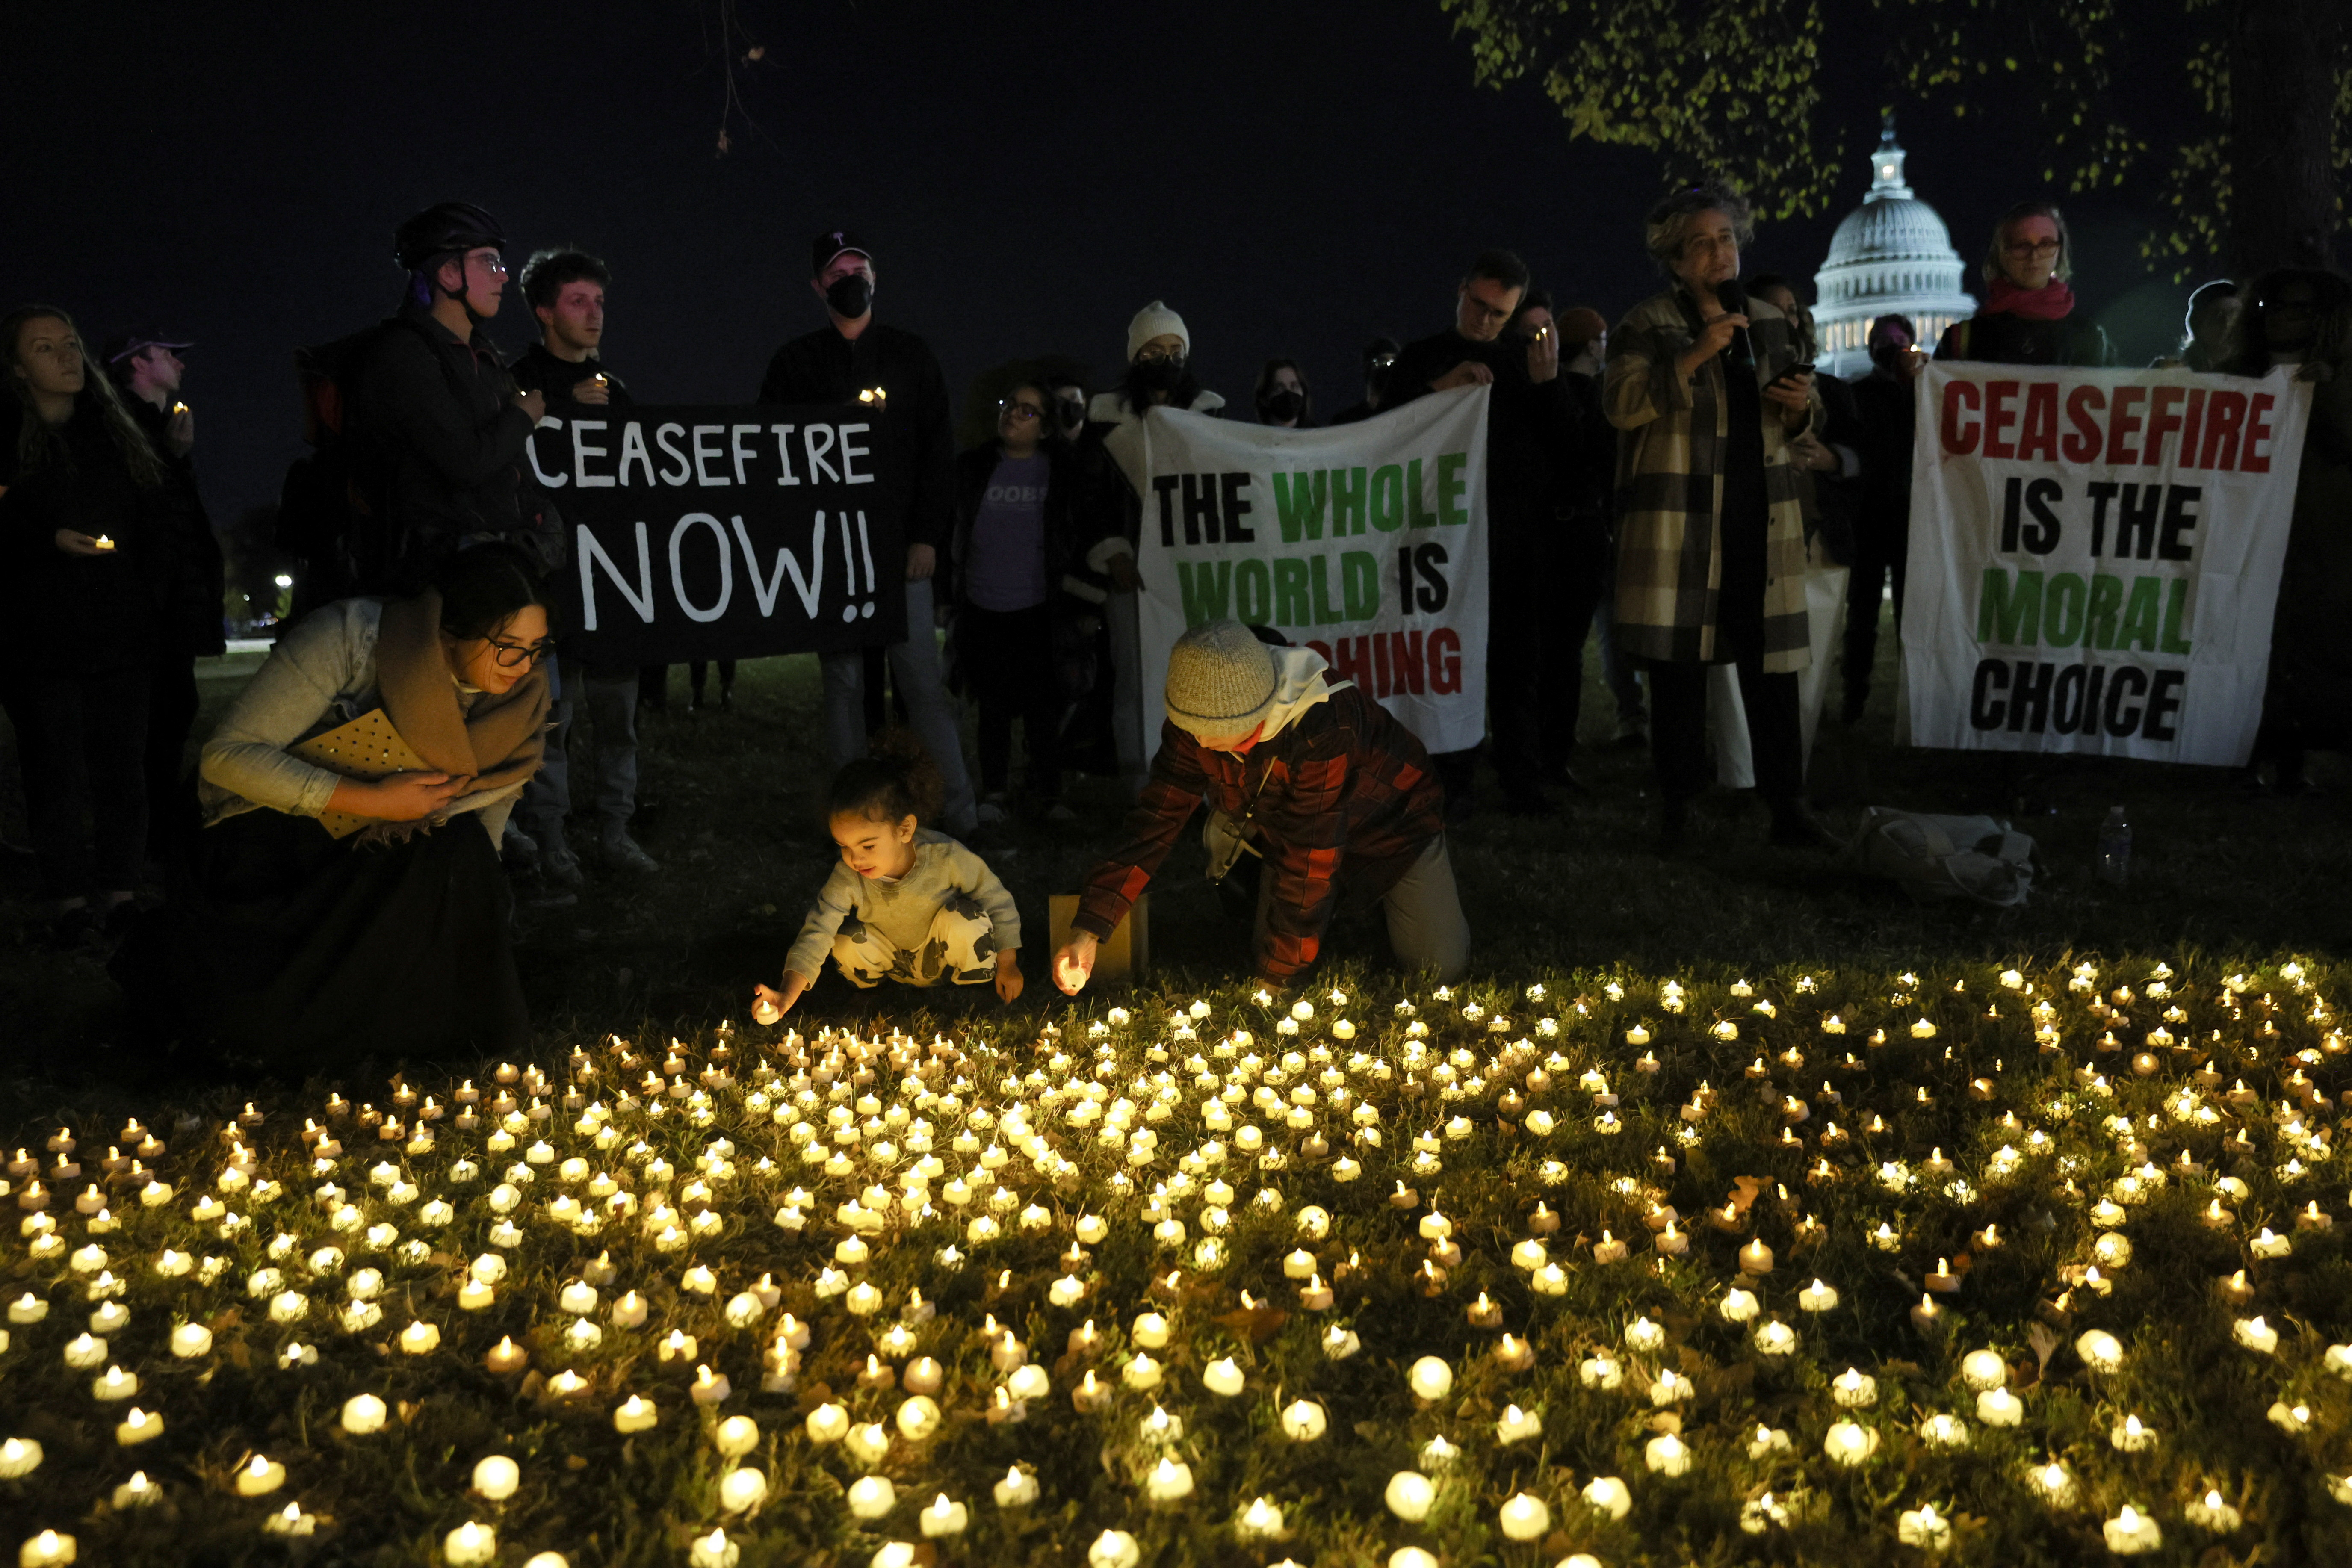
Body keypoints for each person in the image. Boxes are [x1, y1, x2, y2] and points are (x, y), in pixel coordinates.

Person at [118, 544, 553, 1064]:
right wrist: (371, 799)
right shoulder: (353, 639)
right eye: (508, 647)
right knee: (433, 851)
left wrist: (476, 900)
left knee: (455, 847)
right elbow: (227, 758)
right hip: (264, 833)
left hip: (391, 834)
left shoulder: (518, 699)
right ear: (448, 631)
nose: (524, 667)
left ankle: (417, 1025)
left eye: (537, 648)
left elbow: (486, 814)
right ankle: (295, 1020)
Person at [1053, 620, 1468, 992]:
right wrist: (1090, 926)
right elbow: (1154, 821)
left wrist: (1278, 982)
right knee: (1270, 949)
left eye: (1214, 732)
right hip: (1288, 829)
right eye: (1192, 730)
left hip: (1391, 828)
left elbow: (1310, 857)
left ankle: (1390, 899)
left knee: (1439, 967)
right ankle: (1330, 911)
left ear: (1253, 715)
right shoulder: (1195, 717)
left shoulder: (1323, 724)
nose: (1200, 742)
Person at [1606, 182, 1831, 853]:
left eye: (1726, 238)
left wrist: (1799, 406)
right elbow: (1621, 405)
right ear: (1676, 259)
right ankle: (1679, 804)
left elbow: (1804, 420)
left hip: (1761, 520)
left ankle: (1787, 804)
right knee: (1678, 671)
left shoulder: (1770, 321)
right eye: (1701, 243)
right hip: (1681, 524)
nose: (1719, 252)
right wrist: (1695, 353)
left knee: (1772, 669)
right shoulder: (1647, 323)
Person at [758, 230, 977, 836]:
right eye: (837, 274)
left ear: (876, 279)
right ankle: (855, 819)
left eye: (858, 270)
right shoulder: (795, 364)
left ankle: (958, 812)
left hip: (901, 552)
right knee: (844, 684)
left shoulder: (911, 356)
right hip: (832, 553)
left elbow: (937, 453)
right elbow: (769, 449)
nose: (850, 281)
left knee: (921, 684)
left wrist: (926, 537)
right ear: (817, 287)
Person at [0, 306, 183, 944]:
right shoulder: (10, 441)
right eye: (44, 348)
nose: (65, 357)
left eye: (70, 343)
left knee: (122, 767)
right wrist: (45, 538)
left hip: (119, 629)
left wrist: (151, 595)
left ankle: (121, 893)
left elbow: (159, 517)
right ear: (17, 369)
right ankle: (70, 900)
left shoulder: (115, 432)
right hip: (37, 637)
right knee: (53, 767)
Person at [1383, 250, 1580, 817]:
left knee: (1517, 662)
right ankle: (1452, 777)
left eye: (1500, 314)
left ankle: (1522, 778)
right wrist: (1438, 390)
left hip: (1511, 540)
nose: (1486, 321)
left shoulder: (1524, 365)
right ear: (1461, 290)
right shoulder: (1422, 358)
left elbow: (1568, 449)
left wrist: (1548, 385)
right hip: (1438, 542)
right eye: (1480, 306)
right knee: (1447, 663)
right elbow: (1383, 431)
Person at [505, 248, 658, 883]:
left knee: (619, 719)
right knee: (552, 721)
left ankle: (616, 830)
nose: (594, 314)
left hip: (613, 583)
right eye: (578, 301)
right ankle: (550, 838)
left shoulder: (616, 391)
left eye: (599, 302)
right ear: (545, 311)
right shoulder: (515, 383)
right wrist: (565, 411)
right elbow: (507, 461)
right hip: (551, 585)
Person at [349, 202, 556, 595]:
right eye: (489, 262)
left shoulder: (482, 356)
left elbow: (510, 468)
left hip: (498, 565)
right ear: (448, 272)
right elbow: (466, 463)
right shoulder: (404, 354)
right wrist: (522, 415)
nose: (504, 275)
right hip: (438, 577)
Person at [753, 731, 1021, 1018]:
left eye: (868, 845)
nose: (856, 859)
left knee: (967, 920)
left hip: (945, 955)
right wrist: (786, 994)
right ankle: (872, 993)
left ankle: (974, 990)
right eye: (844, 846)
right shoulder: (848, 876)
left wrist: (1008, 963)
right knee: (844, 940)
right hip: (894, 961)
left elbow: (996, 899)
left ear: (905, 829)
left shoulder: (945, 857)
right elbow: (819, 930)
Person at [1083, 301, 1226, 797]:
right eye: (1153, 351)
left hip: (1194, 571)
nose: (1166, 360)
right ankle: (1140, 783)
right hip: (1133, 573)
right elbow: (1091, 496)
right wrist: (1114, 552)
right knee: (1137, 677)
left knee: (1201, 674)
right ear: (1134, 356)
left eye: (1175, 350)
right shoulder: (1103, 420)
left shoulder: (1212, 415)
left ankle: (1202, 783)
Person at [949, 381, 1102, 824]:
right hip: (983, 606)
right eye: (1009, 405)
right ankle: (995, 793)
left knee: (1042, 707)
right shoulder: (974, 467)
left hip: (1039, 608)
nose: (1013, 414)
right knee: (993, 708)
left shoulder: (1062, 471)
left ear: (1045, 428)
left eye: (1028, 411)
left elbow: (1078, 533)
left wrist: (1085, 603)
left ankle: (1048, 793)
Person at [2222, 269, 2352, 791]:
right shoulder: (2236, 374)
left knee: (2320, 647)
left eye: (2299, 308)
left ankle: (2318, 755)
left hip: (2322, 541)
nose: (2282, 318)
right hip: (2248, 536)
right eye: (2272, 306)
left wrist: (2331, 390)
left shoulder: (2339, 377)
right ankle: (2261, 751)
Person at [103, 326, 227, 861]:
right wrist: (173, 456)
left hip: (169, 604)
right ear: (137, 362)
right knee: (153, 721)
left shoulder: (157, 427)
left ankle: (157, 832)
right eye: (168, 353)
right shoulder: (121, 427)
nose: (180, 362)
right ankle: (148, 839)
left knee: (173, 712)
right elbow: (143, 514)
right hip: (149, 607)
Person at [1554, 305, 1648, 747]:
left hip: (1564, 532)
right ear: (1593, 346)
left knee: (1565, 642)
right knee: (1613, 630)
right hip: (1600, 529)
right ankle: (1631, 715)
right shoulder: (1603, 400)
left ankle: (1558, 731)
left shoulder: (1550, 394)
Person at [1843, 314, 1926, 722]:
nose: (1892, 348)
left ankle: (1915, 702)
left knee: (1912, 616)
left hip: (1912, 519)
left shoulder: (1926, 396)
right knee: (1862, 615)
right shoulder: (1855, 395)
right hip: (1870, 518)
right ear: (1871, 347)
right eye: (1884, 341)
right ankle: (1853, 697)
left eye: (1900, 341)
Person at [1936, 201, 2114, 367]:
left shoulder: (2089, 338)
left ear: (2059, 252)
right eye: (2022, 246)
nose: (2034, 256)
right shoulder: (1962, 340)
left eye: (2046, 244)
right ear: (2002, 255)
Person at [2157, 279, 2242, 371]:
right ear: (2199, 325)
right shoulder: (2171, 372)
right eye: (2218, 316)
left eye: (2235, 314)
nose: (2227, 323)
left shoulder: (2251, 370)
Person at [1326, 337, 1400, 426]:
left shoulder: (1405, 416)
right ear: (1368, 368)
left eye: (1394, 361)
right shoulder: (1346, 421)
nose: (1389, 365)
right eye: (1382, 361)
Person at [1253, 358, 1313, 427]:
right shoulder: (1254, 434)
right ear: (1264, 400)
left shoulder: (1318, 434)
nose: (1289, 394)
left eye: (1294, 386)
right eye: (1279, 389)